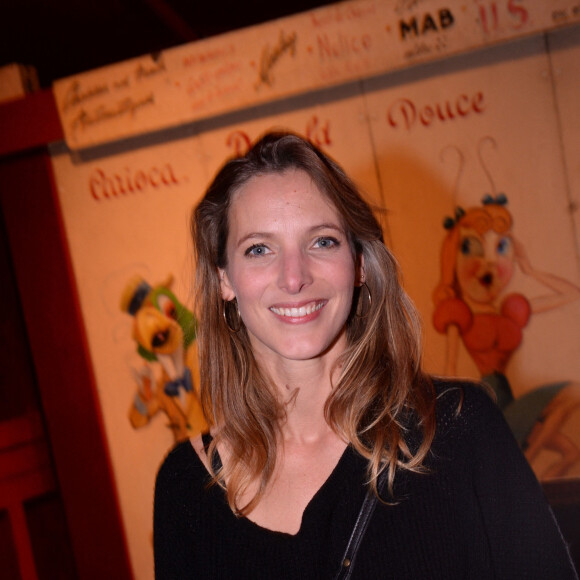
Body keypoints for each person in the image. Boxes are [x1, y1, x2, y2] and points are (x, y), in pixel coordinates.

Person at [154, 132, 578, 579]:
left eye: (322, 241)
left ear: (358, 264)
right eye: (259, 249)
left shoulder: (459, 429)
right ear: (224, 279)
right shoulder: (186, 487)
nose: (294, 277)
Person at [432, 197, 580, 478]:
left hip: (511, 400)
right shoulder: (459, 312)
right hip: (491, 399)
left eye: (501, 248)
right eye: (470, 249)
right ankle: (527, 462)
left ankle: (528, 469)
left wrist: (530, 268)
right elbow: (450, 371)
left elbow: (571, 294)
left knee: (571, 448)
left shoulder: (510, 311)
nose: (488, 263)